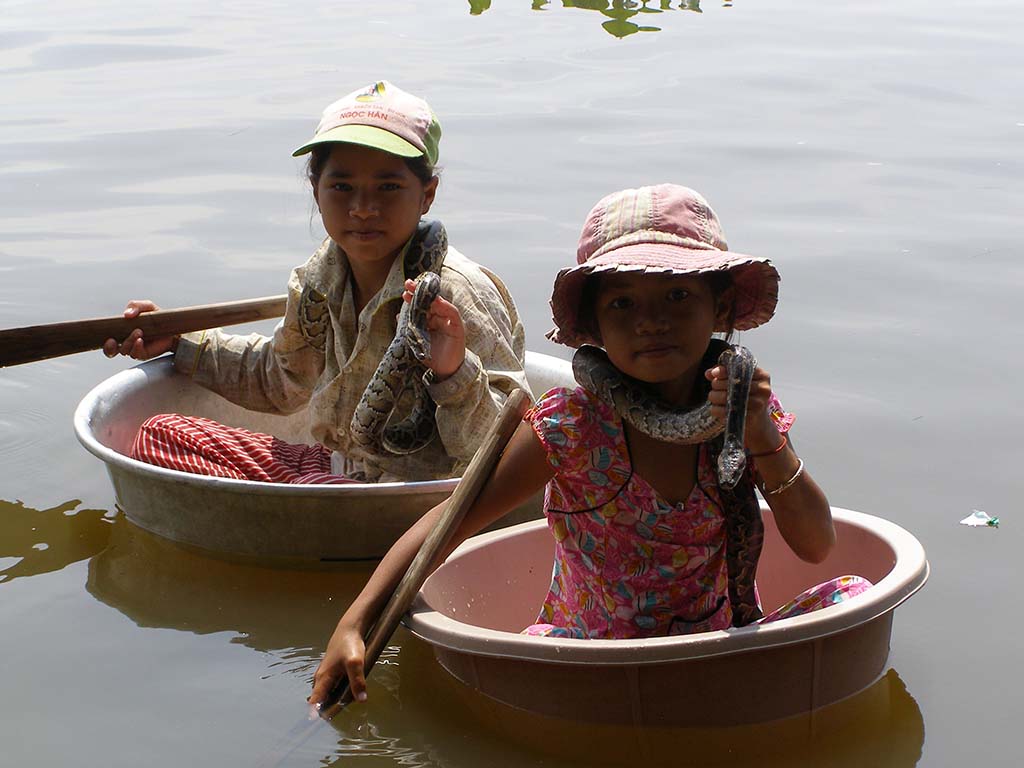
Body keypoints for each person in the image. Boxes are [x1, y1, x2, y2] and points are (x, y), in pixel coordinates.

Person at [309, 183, 871, 706]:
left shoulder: (743, 407)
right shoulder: (572, 427)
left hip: (711, 649)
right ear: (595, 325)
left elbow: (818, 546)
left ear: (720, 308)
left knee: (852, 591)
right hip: (587, 660)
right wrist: (352, 622)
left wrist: (764, 439)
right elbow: (450, 522)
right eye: (622, 303)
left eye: (677, 294)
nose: (651, 321)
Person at [102, 81, 529, 483]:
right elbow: (280, 381)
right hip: (333, 468)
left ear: (427, 194)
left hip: (419, 494)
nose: (362, 208)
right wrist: (181, 341)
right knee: (161, 434)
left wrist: (453, 372)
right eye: (342, 186)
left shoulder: (455, 294)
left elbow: (514, 449)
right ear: (316, 188)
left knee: (278, 499)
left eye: (388, 187)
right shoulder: (319, 281)